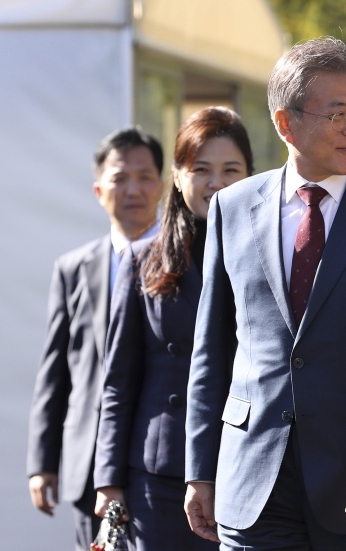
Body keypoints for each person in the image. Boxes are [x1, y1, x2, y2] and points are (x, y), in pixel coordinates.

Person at [183, 36, 346, 550]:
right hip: (254, 485)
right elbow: (211, 349)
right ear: (286, 123)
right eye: (337, 114)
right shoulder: (231, 208)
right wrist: (200, 468)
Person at [92, 107, 253, 550]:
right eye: (201, 169)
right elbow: (118, 381)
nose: (216, 182)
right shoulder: (143, 261)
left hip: (246, 465)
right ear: (178, 178)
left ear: (251, 177)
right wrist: (109, 480)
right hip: (159, 475)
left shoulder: (272, 260)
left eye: (231, 170)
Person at [26, 128, 164, 550]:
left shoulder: (187, 263)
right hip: (88, 460)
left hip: (160, 456)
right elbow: (56, 370)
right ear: (99, 190)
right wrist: (42, 461)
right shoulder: (73, 268)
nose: (133, 190)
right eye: (120, 178)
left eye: (144, 177)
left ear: (161, 185)